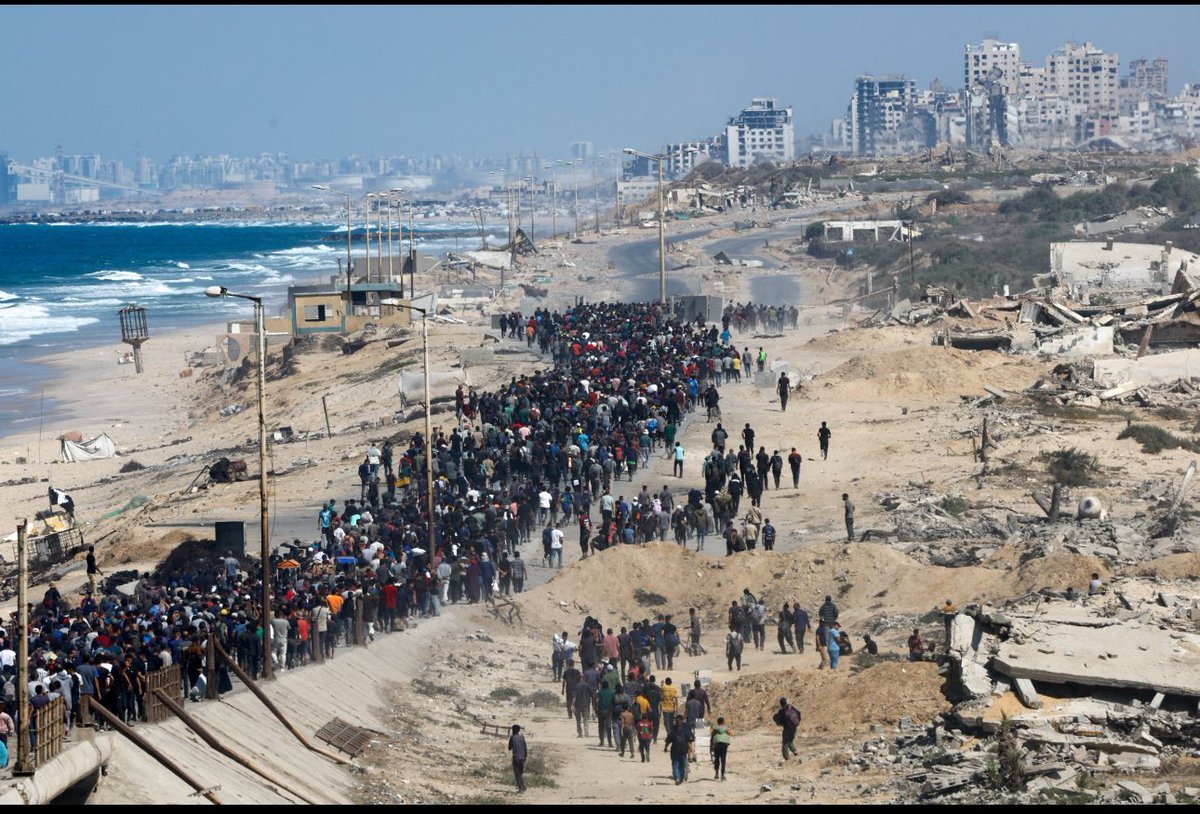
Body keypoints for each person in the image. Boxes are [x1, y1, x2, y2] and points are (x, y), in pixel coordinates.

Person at [664, 717, 694, 785]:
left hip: (675, 750)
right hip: (683, 750)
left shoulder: (673, 731)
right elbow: (690, 740)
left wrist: (665, 747)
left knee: (675, 764)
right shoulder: (685, 731)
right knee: (682, 764)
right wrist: (692, 751)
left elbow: (668, 740)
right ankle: (681, 778)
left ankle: (677, 778)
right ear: (682, 721)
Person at [508, 724, 528, 793]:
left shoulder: (512, 738)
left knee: (517, 774)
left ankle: (520, 789)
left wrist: (511, 739)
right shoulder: (522, 738)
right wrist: (525, 757)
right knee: (520, 773)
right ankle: (523, 787)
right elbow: (525, 748)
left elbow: (509, 748)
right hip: (522, 757)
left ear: (513, 730)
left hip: (516, 758)